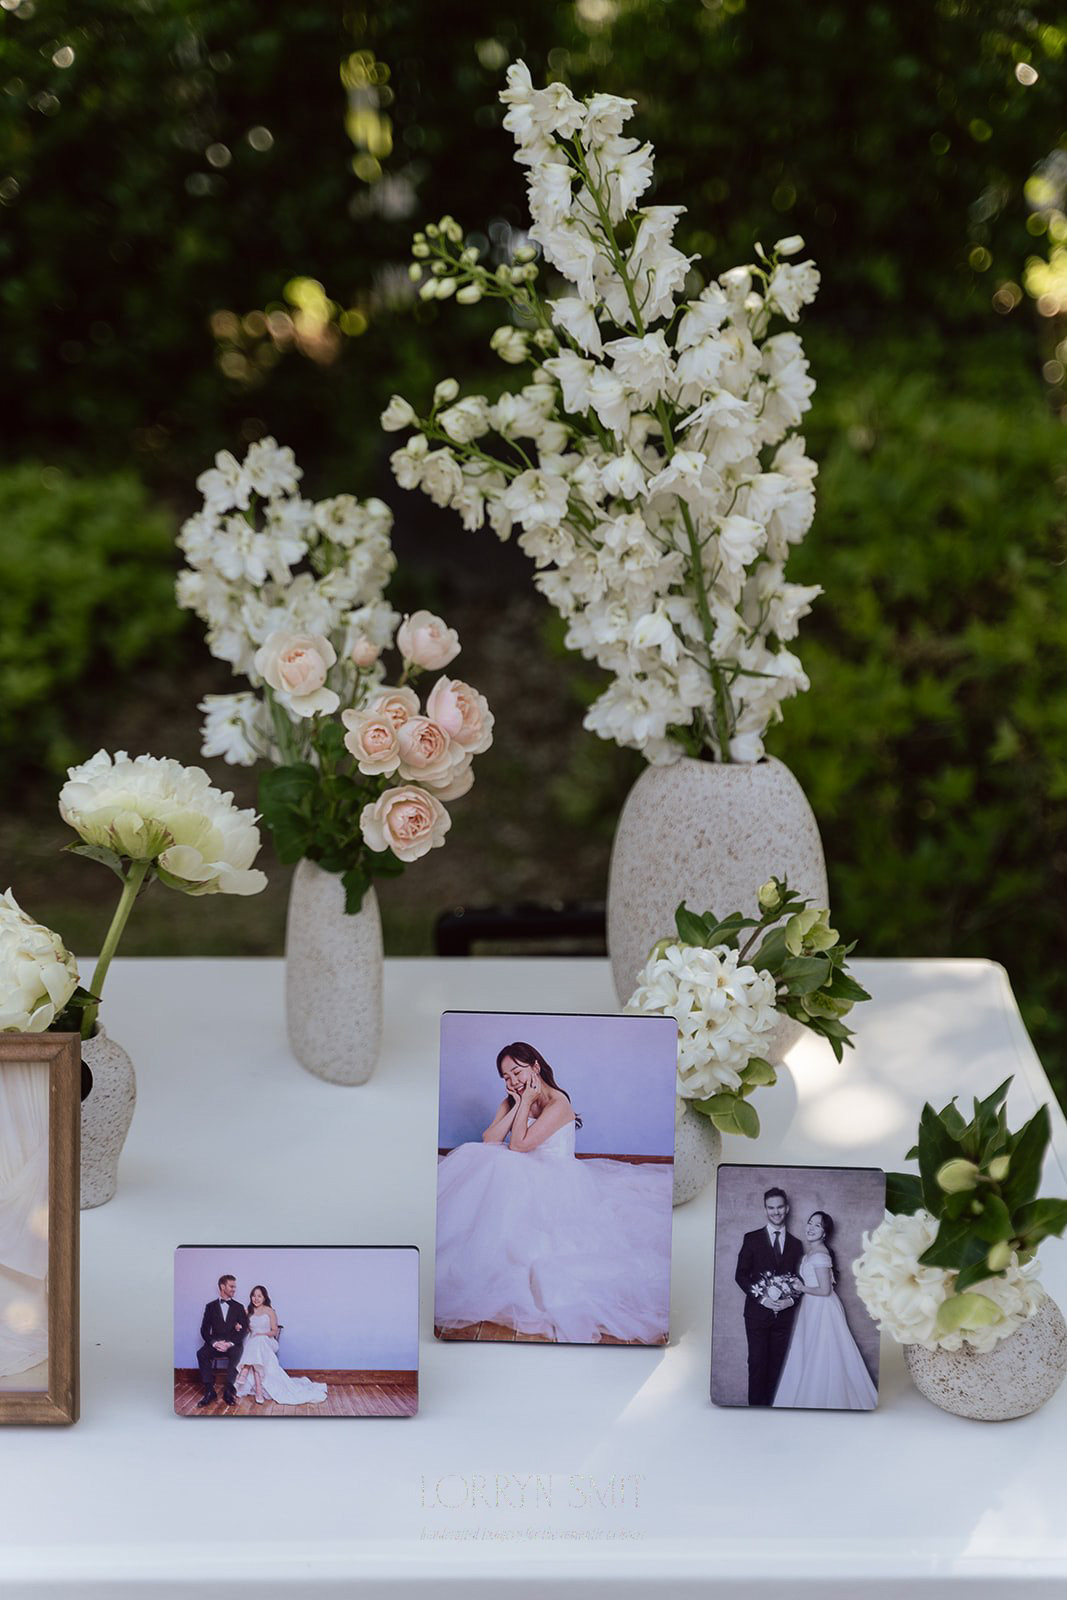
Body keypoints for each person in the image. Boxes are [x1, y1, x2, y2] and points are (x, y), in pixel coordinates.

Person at [435, 1041, 672, 1344]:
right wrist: (519, 1103)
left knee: (504, 1166)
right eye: (506, 1077)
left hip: (554, 1176)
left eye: (517, 1072)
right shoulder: (513, 1099)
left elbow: (520, 1145)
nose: (512, 1082)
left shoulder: (559, 1104)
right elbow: (489, 1140)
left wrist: (527, 1101)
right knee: (480, 1157)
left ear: (535, 1066)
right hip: (523, 1171)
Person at [772, 1212, 878, 1410]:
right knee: (810, 1348)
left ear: (824, 1233)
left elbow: (825, 1290)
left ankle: (821, 1398)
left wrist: (801, 1288)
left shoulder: (820, 1254)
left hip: (822, 1308)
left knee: (824, 1351)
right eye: (810, 1223)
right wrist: (795, 1286)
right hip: (811, 1307)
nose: (811, 1227)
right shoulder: (810, 1253)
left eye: (817, 1226)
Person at [734, 1188, 805, 1405]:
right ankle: (755, 1414)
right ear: (765, 1209)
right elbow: (740, 1275)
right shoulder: (752, 1238)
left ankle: (773, 1414)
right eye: (771, 1208)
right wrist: (763, 1299)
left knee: (777, 1366)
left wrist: (789, 1301)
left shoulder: (796, 1244)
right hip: (756, 1315)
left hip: (783, 1318)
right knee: (757, 1364)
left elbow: (800, 1282)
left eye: (780, 1207)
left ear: (787, 1208)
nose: (776, 1212)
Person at [234, 1284, 327, 1407]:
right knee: (256, 1349)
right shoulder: (248, 1311)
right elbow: (243, 1328)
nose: (256, 1298)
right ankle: (259, 1391)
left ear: (264, 1298)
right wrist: (238, 1325)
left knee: (259, 1342)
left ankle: (245, 1370)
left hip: (267, 1340)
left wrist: (262, 1334)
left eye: (259, 1296)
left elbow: (274, 1331)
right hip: (252, 1342)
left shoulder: (269, 1311)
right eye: (253, 1296)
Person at [196, 1274, 246, 1407]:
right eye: (231, 1286)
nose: (234, 1289)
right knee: (201, 1353)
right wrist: (215, 1343)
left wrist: (229, 1343)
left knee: (237, 1353)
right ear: (222, 1287)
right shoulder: (210, 1306)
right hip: (216, 1344)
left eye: (235, 1286)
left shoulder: (239, 1307)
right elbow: (204, 1330)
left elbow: (244, 1329)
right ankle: (209, 1391)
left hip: (232, 1344)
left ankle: (229, 1391)